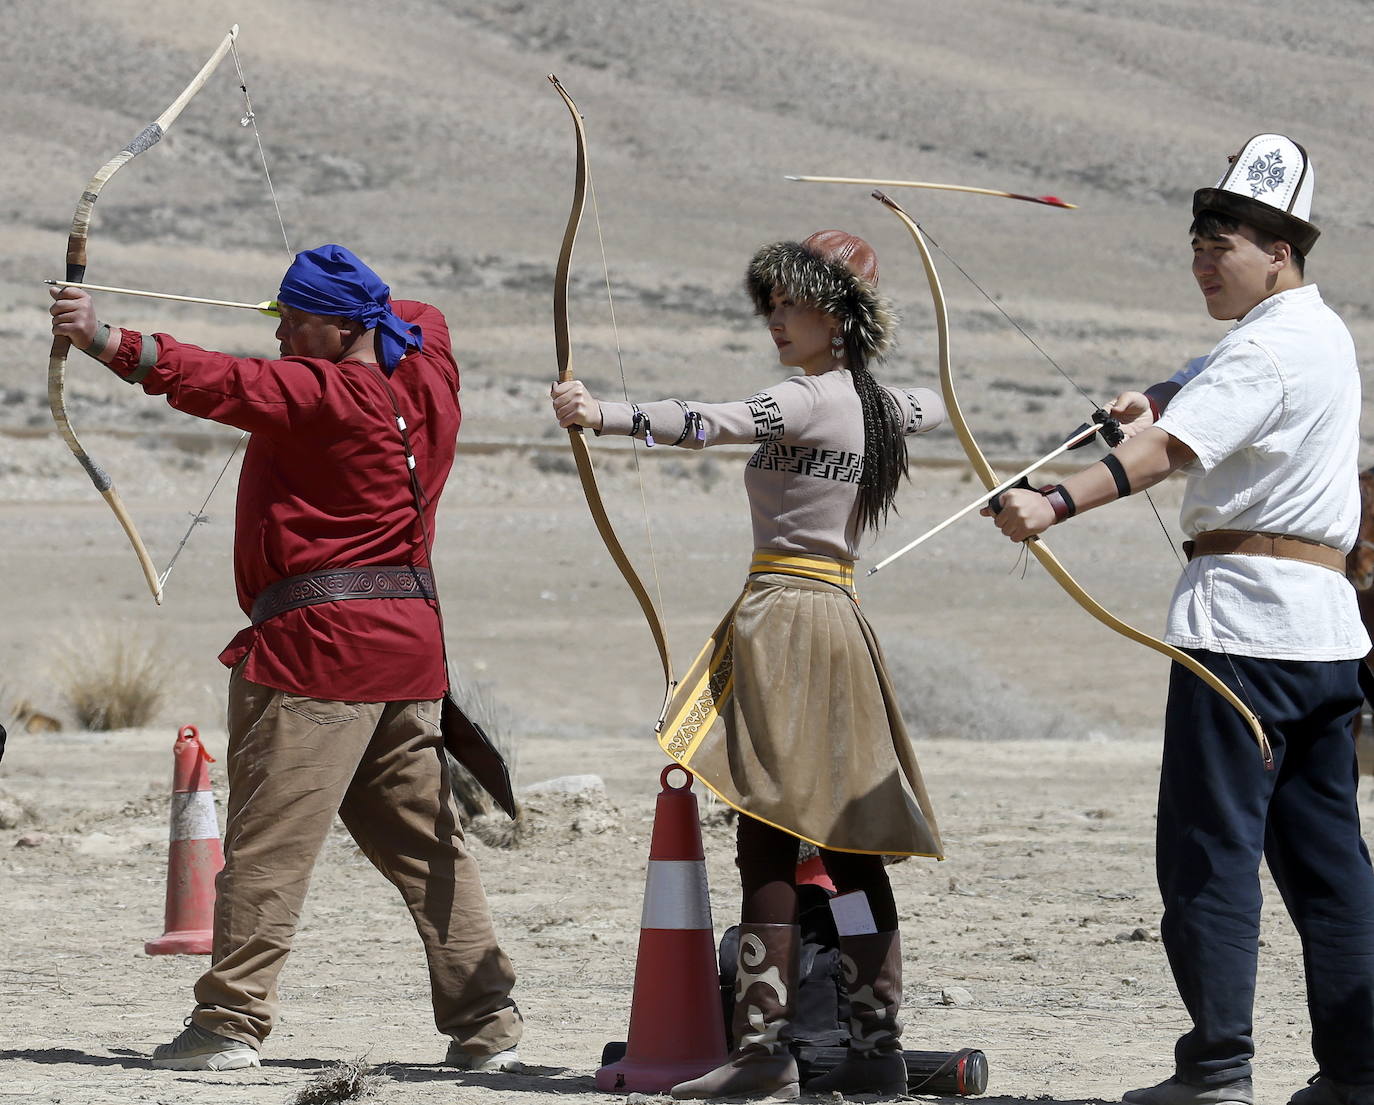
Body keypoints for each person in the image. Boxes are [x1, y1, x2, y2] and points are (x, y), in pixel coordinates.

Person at [48, 245, 523, 1073]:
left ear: (342, 326)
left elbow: (214, 379)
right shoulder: (429, 368)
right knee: (427, 843)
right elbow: (416, 314)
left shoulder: (322, 392)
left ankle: (229, 1024)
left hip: (319, 654)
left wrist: (104, 337)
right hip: (409, 652)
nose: (281, 337)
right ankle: (487, 1021)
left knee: (270, 843)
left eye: (295, 320)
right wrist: (347, 311)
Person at [983, 134, 1374, 1105]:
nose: (1202, 255)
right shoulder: (1313, 332)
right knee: (1330, 861)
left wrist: (1052, 503)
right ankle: (1362, 1072)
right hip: (1324, 638)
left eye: (1224, 239)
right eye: (1197, 238)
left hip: (1244, 632)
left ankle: (1217, 1071)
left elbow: (1171, 448)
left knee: (1209, 850)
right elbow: (1195, 388)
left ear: (1279, 248)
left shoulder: (1271, 347)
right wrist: (1152, 392)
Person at [551, 229, 946, 1100]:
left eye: (795, 299)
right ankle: (874, 1051)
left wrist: (602, 414)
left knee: (770, 830)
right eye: (771, 300)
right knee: (845, 843)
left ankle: (766, 1051)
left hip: (788, 624)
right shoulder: (880, 406)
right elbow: (936, 403)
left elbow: (710, 423)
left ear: (839, 312)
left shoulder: (809, 400)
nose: (777, 316)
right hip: (832, 620)